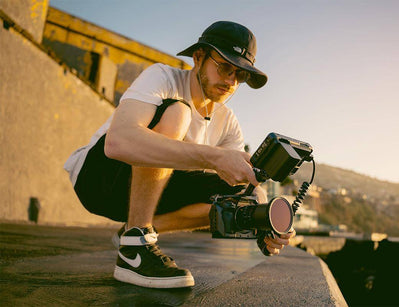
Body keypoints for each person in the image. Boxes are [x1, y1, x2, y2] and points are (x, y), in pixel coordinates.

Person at [64, 21, 295, 289]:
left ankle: (133, 232)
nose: (231, 80)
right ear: (198, 58)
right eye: (224, 67)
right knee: (178, 113)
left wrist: (266, 219)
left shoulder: (228, 121)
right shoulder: (163, 77)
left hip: (152, 195)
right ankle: (136, 247)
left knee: (241, 196)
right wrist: (214, 157)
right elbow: (118, 143)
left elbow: (247, 184)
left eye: (240, 75)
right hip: (100, 180)